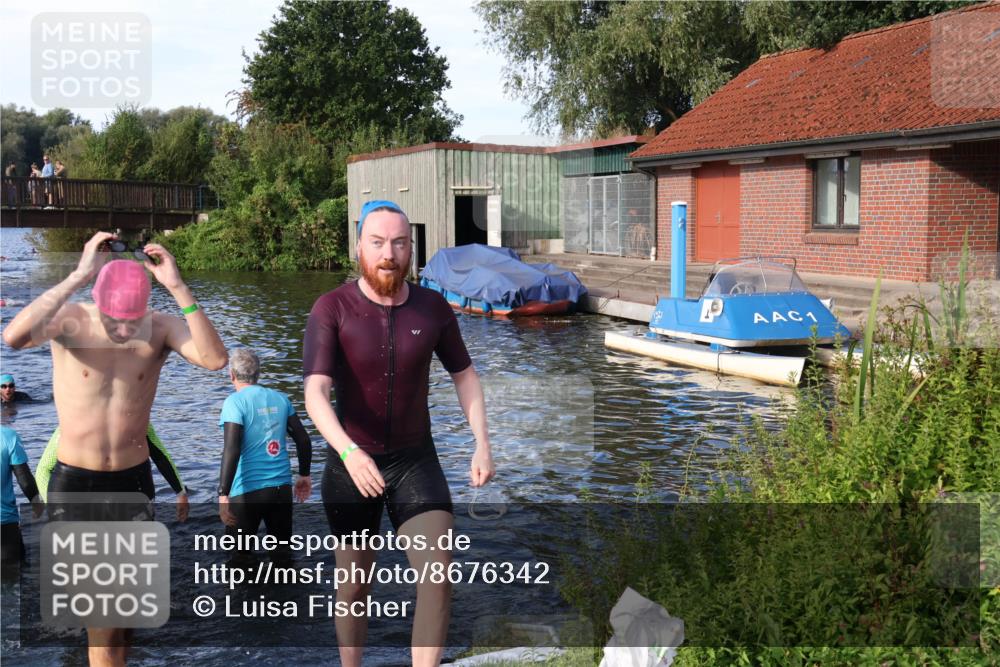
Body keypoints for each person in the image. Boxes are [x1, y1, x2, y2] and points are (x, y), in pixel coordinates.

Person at [1, 231, 227, 666]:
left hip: (133, 481)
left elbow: (216, 359)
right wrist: (78, 275)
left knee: (125, 621)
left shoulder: (160, 327)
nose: (124, 330)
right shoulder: (70, 320)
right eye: (114, 320)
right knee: (102, 620)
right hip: (78, 483)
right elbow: (13, 336)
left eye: (132, 320)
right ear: (98, 302)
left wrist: (179, 289)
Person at [303, 199, 495, 667]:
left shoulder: (433, 309)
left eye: (399, 243)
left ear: (411, 248)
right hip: (351, 465)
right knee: (354, 584)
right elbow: (314, 392)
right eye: (377, 242)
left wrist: (482, 441)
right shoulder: (332, 308)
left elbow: (465, 375)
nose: (388, 253)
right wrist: (348, 452)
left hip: (415, 460)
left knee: (438, 576)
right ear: (359, 248)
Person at [217, 348, 311, 549]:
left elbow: (231, 449)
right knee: (283, 555)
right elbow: (303, 440)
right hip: (281, 490)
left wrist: (223, 494)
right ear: (257, 374)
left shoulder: (234, 402)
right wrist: (304, 475)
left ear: (231, 375)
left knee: (240, 557)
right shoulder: (280, 398)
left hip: (247, 491)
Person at [36, 424, 189, 522]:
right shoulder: (70, 428)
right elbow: (43, 470)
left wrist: (180, 492)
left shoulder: (137, 421)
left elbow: (159, 456)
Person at [1, 425, 43, 566]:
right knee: (12, 579)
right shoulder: (7, 436)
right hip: (5, 526)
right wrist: (38, 504)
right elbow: (25, 481)